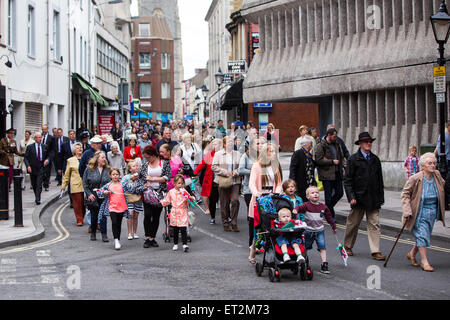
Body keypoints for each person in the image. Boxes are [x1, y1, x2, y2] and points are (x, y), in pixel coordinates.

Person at [343, 132, 386, 261]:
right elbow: (348, 180)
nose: (369, 143)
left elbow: (380, 180)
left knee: (374, 224)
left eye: (370, 142)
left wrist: (381, 198)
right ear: (360, 144)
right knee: (353, 223)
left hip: (373, 198)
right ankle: (347, 246)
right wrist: (351, 197)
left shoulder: (375, 159)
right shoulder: (353, 159)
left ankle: (375, 251)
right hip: (358, 197)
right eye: (366, 142)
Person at [401, 153, 446, 272]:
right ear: (423, 166)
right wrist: (407, 210)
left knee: (424, 235)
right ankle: (424, 262)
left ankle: (411, 254)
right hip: (418, 212)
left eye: (434, 163)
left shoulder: (437, 175)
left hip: (432, 212)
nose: (432, 165)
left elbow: (444, 186)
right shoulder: (415, 178)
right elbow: (405, 194)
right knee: (422, 235)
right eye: (429, 163)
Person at [248, 143, 283, 263]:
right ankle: (252, 252)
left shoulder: (275, 166)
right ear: (265, 153)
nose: (274, 154)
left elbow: (278, 183)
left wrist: (277, 193)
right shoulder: (256, 166)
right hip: (259, 199)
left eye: (274, 151)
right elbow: (251, 183)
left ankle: (274, 252)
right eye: (271, 151)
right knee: (258, 229)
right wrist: (256, 193)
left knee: (272, 228)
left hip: (271, 199)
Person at [97, 168, 146, 250]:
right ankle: (116, 240)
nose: (115, 176)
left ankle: (118, 239)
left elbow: (132, 189)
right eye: (113, 174)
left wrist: (143, 188)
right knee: (114, 222)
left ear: (119, 175)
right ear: (110, 176)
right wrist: (104, 192)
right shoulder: (108, 185)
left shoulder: (122, 184)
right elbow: (99, 191)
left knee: (118, 224)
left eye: (116, 174)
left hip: (121, 207)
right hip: (112, 207)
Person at [296, 186, 337, 274]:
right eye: (313, 193)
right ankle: (303, 261)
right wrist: (295, 210)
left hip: (319, 231)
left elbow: (329, 217)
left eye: (317, 192)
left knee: (322, 247)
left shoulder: (323, 207)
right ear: (308, 196)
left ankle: (324, 264)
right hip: (308, 231)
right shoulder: (306, 205)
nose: (315, 194)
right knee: (305, 247)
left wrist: (333, 226)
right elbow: (299, 208)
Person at [137, 145, 171, 248]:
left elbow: (167, 177)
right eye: (145, 157)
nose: (147, 159)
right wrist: (143, 185)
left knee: (156, 216)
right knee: (147, 215)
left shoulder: (164, 163)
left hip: (160, 193)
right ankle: (147, 237)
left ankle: (152, 237)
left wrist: (153, 179)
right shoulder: (145, 165)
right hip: (148, 193)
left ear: (153, 155)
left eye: (148, 157)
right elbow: (141, 178)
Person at [212, 136, 242, 232]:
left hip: (234, 180)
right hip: (223, 181)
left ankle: (234, 222)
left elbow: (241, 166)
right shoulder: (218, 154)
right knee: (224, 203)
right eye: (228, 142)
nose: (230, 143)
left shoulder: (237, 154)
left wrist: (236, 171)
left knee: (235, 200)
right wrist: (225, 172)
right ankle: (225, 223)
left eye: (231, 142)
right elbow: (214, 167)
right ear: (224, 144)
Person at [160, 174, 196, 252]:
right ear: (174, 184)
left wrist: (191, 198)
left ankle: (185, 244)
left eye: (182, 183)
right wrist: (162, 202)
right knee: (175, 229)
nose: (181, 185)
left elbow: (189, 198)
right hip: (175, 212)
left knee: (183, 229)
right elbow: (167, 200)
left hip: (182, 211)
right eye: (179, 183)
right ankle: (175, 244)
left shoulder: (184, 191)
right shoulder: (171, 192)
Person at [314, 128, 344, 220]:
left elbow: (341, 157)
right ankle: (330, 215)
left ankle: (326, 209)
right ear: (329, 135)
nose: (336, 138)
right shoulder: (320, 146)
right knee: (328, 195)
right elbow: (318, 160)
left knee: (340, 193)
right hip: (326, 174)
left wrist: (344, 165)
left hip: (337, 173)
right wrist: (332, 162)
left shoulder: (337, 144)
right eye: (334, 136)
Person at [238, 137, 261, 252]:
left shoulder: (264, 156)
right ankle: (252, 243)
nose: (260, 145)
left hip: (263, 190)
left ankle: (262, 242)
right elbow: (240, 170)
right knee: (253, 217)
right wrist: (253, 170)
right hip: (249, 190)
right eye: (257, 143)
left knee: (263, 218)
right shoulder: (245, 156)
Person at [82, 151, 111, 242]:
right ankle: (93, 233)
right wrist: (89, 194)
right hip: (93, 196)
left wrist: (108, 190)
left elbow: (111, 182)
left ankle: (104, 234)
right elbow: (85, 183)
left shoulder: (108, 169)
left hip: (104, 195)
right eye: (102, 157)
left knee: (103, 215)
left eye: (105, 157)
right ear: (97, 159)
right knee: (94, 215)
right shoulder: (89, 169)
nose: (104, 159)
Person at [194, 139, 222, 224]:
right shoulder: (210, 154)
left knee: (224, 199)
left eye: (216, 144)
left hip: (222, 179)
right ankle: (212, 217)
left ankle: (227, 216)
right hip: (211, 180)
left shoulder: (224, 155)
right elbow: (202, 164)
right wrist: (194, 173)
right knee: (212, 199)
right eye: (213, 144)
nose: (214, 146)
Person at [61, 142, 85, 226]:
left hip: (85, 184)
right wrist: (63, 185)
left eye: (81, 147)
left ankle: (83, 216)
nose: (80, 149)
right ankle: (79, 219)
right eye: (77, 148)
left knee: (84, 203)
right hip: (75, 184)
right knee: (77, 203)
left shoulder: (85, 159)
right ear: (74, 150)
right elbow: (67, 174)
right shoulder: (70, 160)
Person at [24, 132, 49, 205]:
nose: (40, 139)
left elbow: (48, 156)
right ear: (35, 138)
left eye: (40, 137)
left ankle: (38, 199)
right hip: (32, 168)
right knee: (34, 184)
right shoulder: (30, 147)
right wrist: (28, 166)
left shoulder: (45, 146)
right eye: (38, 137)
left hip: (41, 167)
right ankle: (36, 195)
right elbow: (26, 158)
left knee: (39, 184)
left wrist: (47, 160)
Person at [289, 137, 316, 202]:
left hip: (309, 182)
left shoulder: (308, 154)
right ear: (306, 145)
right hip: (301, 182)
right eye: (310, 144)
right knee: (302, 200)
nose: (311, 146)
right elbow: (293, 168)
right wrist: (293, 181)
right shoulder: (298, 153)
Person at [123, 160, 143, 240]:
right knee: (130, 214)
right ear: (130, 169)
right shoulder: (126, 177)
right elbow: (123, 186)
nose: (136, 167)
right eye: (134, 166)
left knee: (135, 215)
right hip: (129, 198)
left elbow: (142, 187)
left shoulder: (140, 177)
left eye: (137, 166)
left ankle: (134, 232)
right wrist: (131, 180)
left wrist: (142, 188)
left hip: (138, 199)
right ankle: (129, 232)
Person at [41, 125, 55, 192]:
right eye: (42, 129)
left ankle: (46, 185)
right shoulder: (40, 137)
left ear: (47, 129)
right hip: (40, 157)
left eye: (45, 129)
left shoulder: (51, 138)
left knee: (47, 172)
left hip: (48, 157)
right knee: (41, 171)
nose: (43, 131)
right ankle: (42, 182)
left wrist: (49, 158)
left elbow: (53, 149)